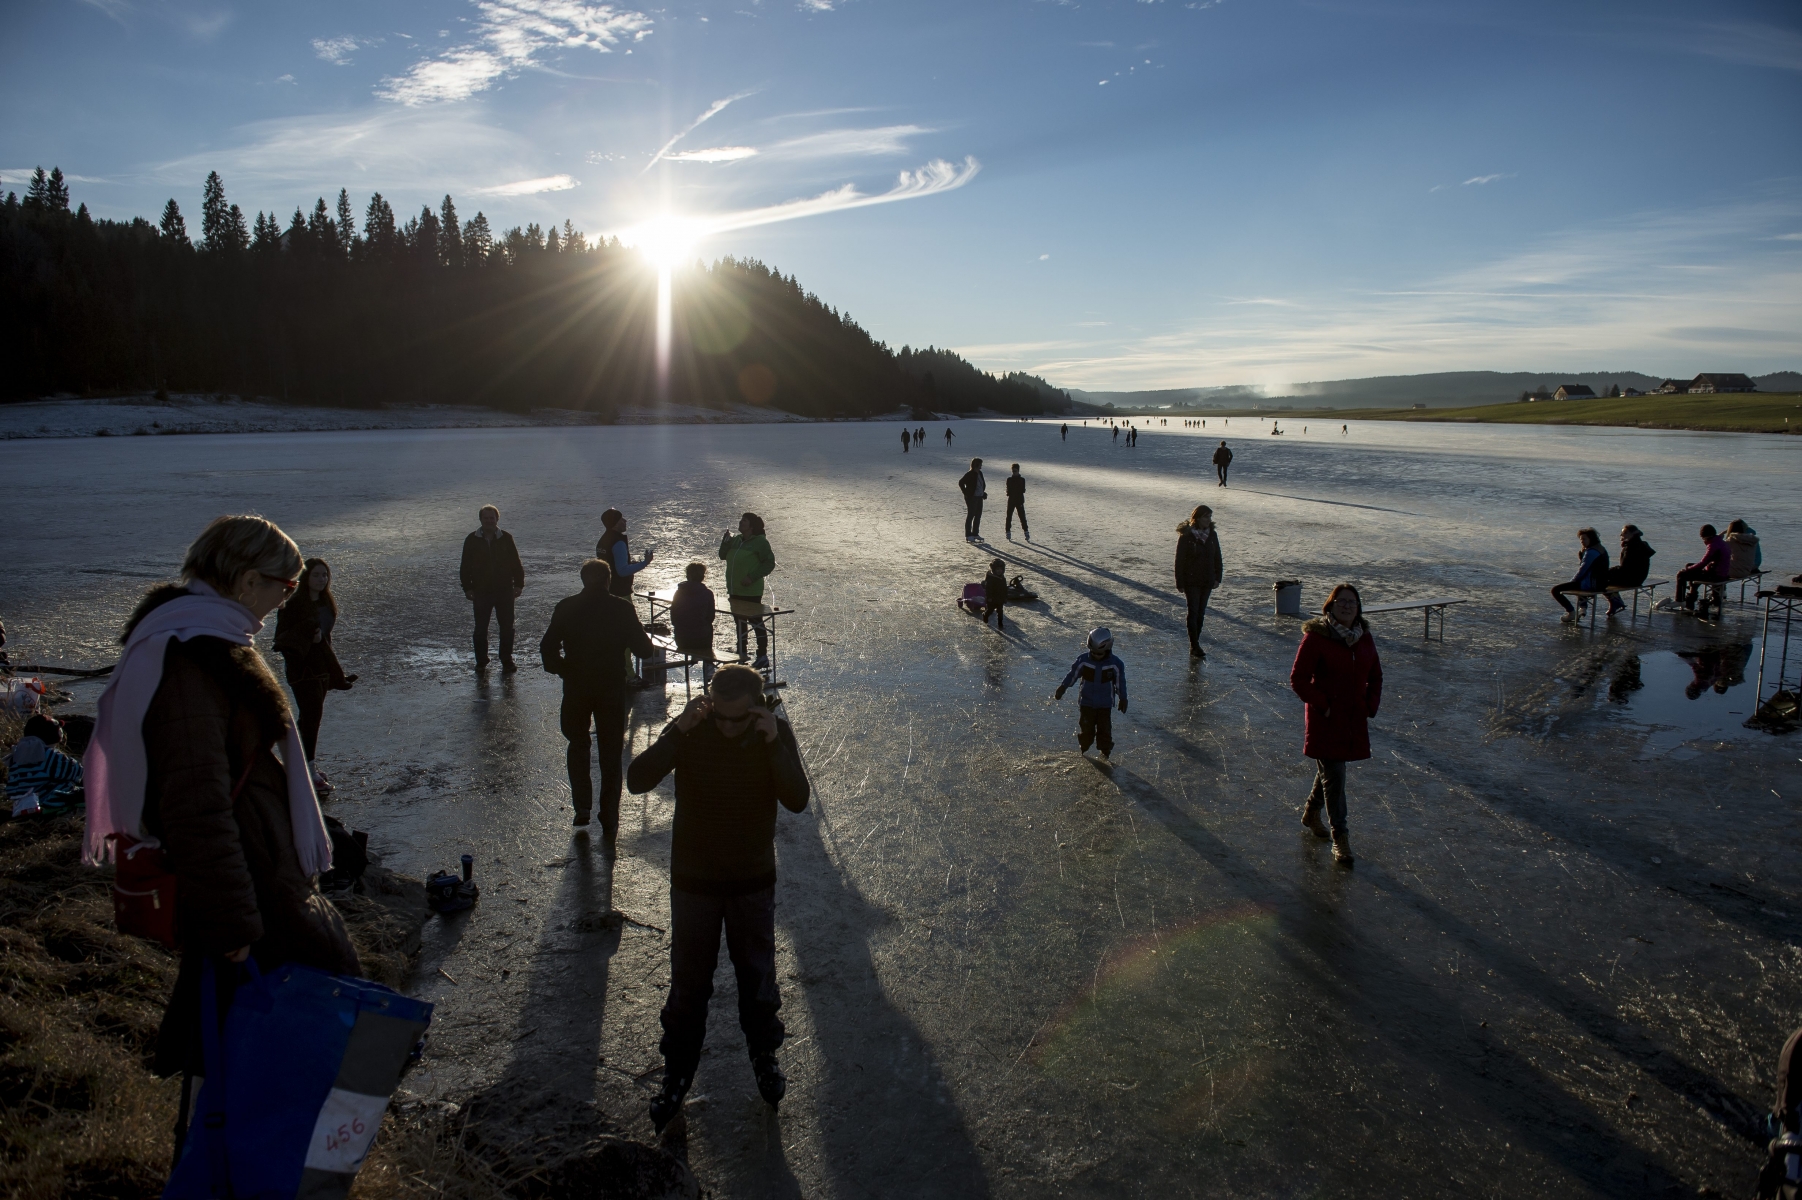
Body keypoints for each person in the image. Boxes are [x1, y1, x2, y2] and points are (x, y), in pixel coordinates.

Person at [82, 514, 354, 1148]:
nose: (286, 601)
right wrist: (233, 926)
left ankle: (238, 1164)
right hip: (245, 896)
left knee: (249, 1050)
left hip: (258, 878)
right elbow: (196, 805)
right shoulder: (190, 660)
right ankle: (230, 1173)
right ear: (244, 578)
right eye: (285, 588)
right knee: (247, 1053)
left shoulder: (206, 638)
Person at [627, 665, 810, 1132]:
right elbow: (638, 779)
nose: (727, 728)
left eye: (738, 719)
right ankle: (677, 1071)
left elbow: (796, 799)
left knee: (757, 976)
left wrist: (773, 745)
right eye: (720, 717)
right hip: (695, 882)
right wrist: (676, 732)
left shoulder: (774, 733)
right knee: (689, 982)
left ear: (758, 707)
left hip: (752, 880)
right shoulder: (692, 729)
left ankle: (764, 1054)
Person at [540, 558, 656, 842]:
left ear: (583, 580)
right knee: (610, 751)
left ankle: (582, 806)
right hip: (610, 686)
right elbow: (643, 650)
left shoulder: (566, 607)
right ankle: (609, 814)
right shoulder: (622, 608)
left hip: (577, 685)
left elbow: (547, 649)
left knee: (578, 742)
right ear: (607, 580)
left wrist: (563, 669)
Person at [1288, 584, 1383, 867]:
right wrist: (1324, 705)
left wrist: (1369, 706)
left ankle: (1311, 812)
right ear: (1329, 606)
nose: (1346, 606)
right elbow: (1298, 679)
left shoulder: (1364, 639)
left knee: (1332, 771)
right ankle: (1341, 837)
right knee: (1336, 774)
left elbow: (1376, 676)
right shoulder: (1316, 638)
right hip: (1325, 719)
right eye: (1340, 602)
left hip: (1353, 718)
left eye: (1351, 602)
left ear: (1358, 608)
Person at [272, 558, 357, 793]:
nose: (322, 580)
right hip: (302, 671)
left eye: (325, 575)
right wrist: (307, 634)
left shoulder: (325, 603)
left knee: (309, 719)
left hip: (321, 669)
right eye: (317, 575)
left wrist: (334, 672)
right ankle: (307, 771)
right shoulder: (293, 604)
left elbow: (326, 640)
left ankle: (299, 766)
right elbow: (281, 638)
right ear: (305, 578)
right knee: (311, 718)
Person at [460, 505, 525, 672]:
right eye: (486, 518)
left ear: (497, 519)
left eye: (492, 518)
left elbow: (516, 563)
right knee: (480, 629)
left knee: (507, 628)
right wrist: (467, 588)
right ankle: (481, 661)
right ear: (480, 520)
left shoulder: (506, 538)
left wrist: (518, 584)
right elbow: (465, 566)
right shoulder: (471, 539)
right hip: (481, 591)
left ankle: (506, 659)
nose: (489, 521)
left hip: (504, 591)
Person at [1054, 627, 1128, 763]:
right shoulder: (1084, 660)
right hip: (1086, 702)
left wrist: (1123, 697)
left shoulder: (1115, 664)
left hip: (1105, 704)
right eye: (1092, 652)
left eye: (1099, 653)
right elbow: (1073, 674)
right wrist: (1063, 687)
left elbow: (1120, 682)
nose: (1095, 655)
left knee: (1105, 731)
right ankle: (1084, 746)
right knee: (1086, 729)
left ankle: (1105, 751)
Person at [719, 513, 776, 669]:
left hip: (750, 591)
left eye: (744, 521)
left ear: (751, 526)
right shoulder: (736, 540)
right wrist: (725, 542)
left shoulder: (760, 543)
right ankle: (742, 653)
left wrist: (752, 577)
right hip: (734, 589)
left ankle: (762, 655)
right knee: (739, 623)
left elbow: (769, 563)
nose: (740, 522)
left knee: (756, 622)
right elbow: (722, 556)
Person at [6, 713, 84, 816]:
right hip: (50, 800)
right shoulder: (48, 755)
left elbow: (11, 787)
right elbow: (78, 772)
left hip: (23, 804)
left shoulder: (16, 757)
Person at [1173, 505, 1224, 660]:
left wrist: (1217, 577)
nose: (1209, 520)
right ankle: (1194, 645)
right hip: (1191, 580)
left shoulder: (1212, 535)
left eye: (1210, 517)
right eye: (1206, 517)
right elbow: (1179, 560)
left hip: (1207, 579)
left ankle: (1196, 642)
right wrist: (1180, 581)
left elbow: (1217, 558)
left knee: (1201, 613)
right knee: (1193, 611)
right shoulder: (1186, 536)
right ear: (1197, 518)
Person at [1550, 527, 1610, 622]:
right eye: (1581, 539)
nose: (1582, 541)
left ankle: (1571, 612)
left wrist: (1573, 581)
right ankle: (1582, 608)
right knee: (1579, 583)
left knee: (1555, 590)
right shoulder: (1599, 548)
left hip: (1593, 584)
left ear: (1591, 538)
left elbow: (1583, 570)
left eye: (1584, 539)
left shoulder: (1591, 552)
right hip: (1600, 583)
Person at [670, 562, 718, 676]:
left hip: (681, 640)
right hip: (701, 640)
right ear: (702, 576)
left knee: (693, 625)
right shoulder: (707, 593)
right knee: (705, 627)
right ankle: (709, 665)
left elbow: (674, 618)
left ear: (688, 576)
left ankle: (698, 659)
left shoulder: (678, 592)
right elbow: (710, 617)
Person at [596, 508, 653, 599]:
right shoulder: (618, 542)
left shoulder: (603, 540)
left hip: (606, 590)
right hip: (620, 592)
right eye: (621, 519)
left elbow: (611, 563)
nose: (625, 521)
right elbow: (622, 571)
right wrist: (645, 562)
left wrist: (631, 564)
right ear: (615, 524)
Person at [1675, 524, 1732, 614]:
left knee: (1681, 574)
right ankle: (1690, 599)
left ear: (1705, 536)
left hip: (1716, 575)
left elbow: (1703, 563)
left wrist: (1688, 569)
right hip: (1722, 573)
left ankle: (1681, 600)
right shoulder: (1721, 542)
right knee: (1692, 569)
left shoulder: (1713, 545)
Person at [1604, 525, 1656, 614]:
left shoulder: (1631, 547)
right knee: (1604, 576)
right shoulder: (1641, 544)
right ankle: (1615, 601)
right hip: (1639, 577)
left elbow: (1625, 568)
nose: (1621, 534)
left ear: (1633, 534)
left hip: (1631, 579)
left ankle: (1615, 601)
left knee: (1600, 580)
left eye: (1625, 533)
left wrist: (1608, 571)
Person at [959, 457, 988, 542]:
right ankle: (968, 534)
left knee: (978, 515)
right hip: (972, 498)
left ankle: (975, 533)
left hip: (979, 497)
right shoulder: (970, 474)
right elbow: (961, 482)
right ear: (976, 465)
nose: (981, 466)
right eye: (980, 465)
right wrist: (966, 493)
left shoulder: (980, 473)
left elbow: (981, 485)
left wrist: (983, 493)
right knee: (971, 515)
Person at [1004, 463, 1030, 541]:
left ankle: (1026, 531)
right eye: (1013, 471)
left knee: (1022, 517)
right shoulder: (1009, 479)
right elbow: (1009, 489)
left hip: (1019, 500)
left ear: (1018, 470)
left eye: (1015, 471)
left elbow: (1022, 490)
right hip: (1012, 500)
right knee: (1009, 516)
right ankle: (1008, 531)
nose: (1014, 473)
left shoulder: (1022, 479)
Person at [981, 559, 1008, 630]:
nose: (999, 571)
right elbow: (988, 589)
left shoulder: (1003, 578)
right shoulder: (991, 579)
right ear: (994, 569)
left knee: (1000, 611)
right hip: (992, 599)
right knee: (990, 610)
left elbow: (1005, 588)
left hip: (1000, 598)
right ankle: (985, 615)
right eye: (997, 569)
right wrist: (989, 597)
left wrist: (1005, 597)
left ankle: (1000, 623)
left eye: (1001, 569)